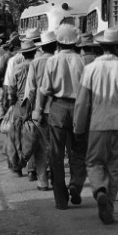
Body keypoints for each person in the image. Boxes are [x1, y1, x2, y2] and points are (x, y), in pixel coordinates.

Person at [74, 29, 118, 225]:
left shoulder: (91, 69)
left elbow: (82, 103)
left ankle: (99, 189)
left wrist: (79, 128)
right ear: (117, 48)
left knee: (94, 163)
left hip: (98, 124)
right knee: (116, 168)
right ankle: (108, 203)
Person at [40, 24, 88, 210]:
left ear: (58, 42)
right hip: (79, 108)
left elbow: (45, 89)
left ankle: (61, 199)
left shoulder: (52, 61)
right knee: (78, 151)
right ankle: (75, 184)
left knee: (56, 155)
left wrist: (40, 111)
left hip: (58, 108)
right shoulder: (82, 61)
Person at [24, 30, 58, 190]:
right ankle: (56, 177)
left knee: (41, 147)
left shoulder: (35, 63)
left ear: (42, 47)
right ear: (56, 45)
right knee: (57, 145)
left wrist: (28, 110)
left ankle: (42, 180)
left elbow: (30, 90)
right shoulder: (59, 61)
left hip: (39, 110)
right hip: (58, 109)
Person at [7, 39, 37, 183]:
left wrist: (12, 103)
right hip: (35, 104)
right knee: (32, 136)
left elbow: (11, 88)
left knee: (16, 136)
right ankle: (32, 170)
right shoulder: (37, 66)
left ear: (23, 54)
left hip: (20, 104)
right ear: (35, 52)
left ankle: (17, 167)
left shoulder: (17, 67)